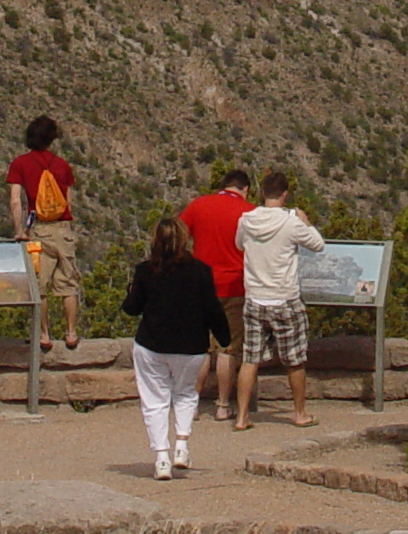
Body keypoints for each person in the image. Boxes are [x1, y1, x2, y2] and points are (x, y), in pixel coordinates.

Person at [122, 216, 231, 480]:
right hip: (191, 346)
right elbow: (212, 309)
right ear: (185, 240)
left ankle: (161, 457)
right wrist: (225, 337)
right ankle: (181, 446)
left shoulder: (145, 271)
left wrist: (131, 291)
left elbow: (131, 309)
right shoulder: (201, 271)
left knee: (155, 401)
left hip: (152, 344)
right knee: (185, 394)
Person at [232, 171, 325, 430]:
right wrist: (305, 222)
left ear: (262, 193)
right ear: (285, 195)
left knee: (250, 359)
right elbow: (318, 244)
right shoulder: (291, 222)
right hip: (284, 297)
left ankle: (241, 417)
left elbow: (239, 245)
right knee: (294, 359)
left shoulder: (246, 220)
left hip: (255, 297)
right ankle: (299, 413)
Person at [180, 169, 254, 423]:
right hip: (234, 285)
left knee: (200, 348)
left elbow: (178, 236)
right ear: (245, 189)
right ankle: (222, 405)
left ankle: (192, 405)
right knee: (227, 349)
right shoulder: (248, 211)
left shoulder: (199, 205)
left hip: (200, 285)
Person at [5, 115, 82, 351]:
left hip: (38, 230)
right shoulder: (61, 165)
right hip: (62, 229)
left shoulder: (21, 164)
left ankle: (44, 334)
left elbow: (15, 201)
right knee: (68, 284)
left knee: (40, 285)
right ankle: (70, 332)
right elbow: (69, 201)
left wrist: (20, 230)